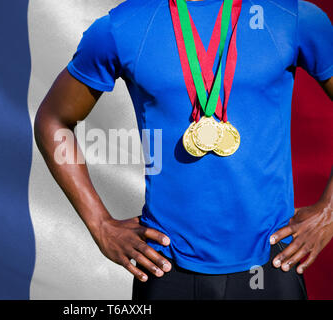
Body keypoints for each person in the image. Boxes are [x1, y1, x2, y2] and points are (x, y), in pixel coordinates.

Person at [34, 0, 333, 299]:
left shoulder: (289, 16)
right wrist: (99, 224)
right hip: (166, 268)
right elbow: (54, 120)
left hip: (272, 263)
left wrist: (329, 212)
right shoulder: (121, 27)